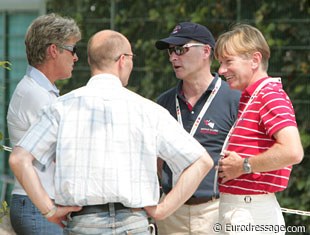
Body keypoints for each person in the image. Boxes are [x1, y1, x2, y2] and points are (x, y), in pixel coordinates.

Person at [8, 29, 214, 235]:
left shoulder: (61, 108)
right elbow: (201, 161)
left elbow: (19, 159)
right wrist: (163, 209)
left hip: (83, 222)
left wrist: (49, 210)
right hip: (134, 222)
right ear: (122, 60)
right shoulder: (147, 110)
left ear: (90, 60)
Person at [215, 24, 304, 234]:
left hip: (249, 212)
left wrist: (244, 165)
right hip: (243, 210)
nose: (220, 71)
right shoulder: (253, 97)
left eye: (228, 62)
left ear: (255, 60)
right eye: (220, 63)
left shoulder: (269, 96)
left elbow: (293, 151)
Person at [154, 22, 240, 234]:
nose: (173, 57)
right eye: (170, 51)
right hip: (171, 214)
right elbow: (157, 160)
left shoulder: (234, 99)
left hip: (217, 210)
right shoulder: (163, 103)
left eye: (180, 49)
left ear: (206, 51)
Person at [6, 13, 81, 235]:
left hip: (37, 205)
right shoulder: (34, 95)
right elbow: (65, 153)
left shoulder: (40, 91)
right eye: (72, 50)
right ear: (53, 50)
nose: (75, 57)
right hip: (38, 206)